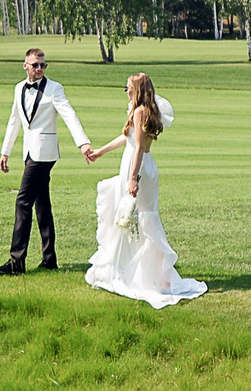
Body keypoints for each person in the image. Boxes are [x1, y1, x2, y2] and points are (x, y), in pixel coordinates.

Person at [82, 73, 207, 308]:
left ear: (138, 89)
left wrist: (132, 178)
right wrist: (100, 152)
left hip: (137, 165)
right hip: (140, 165)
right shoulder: (145, 111)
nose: (126, 91)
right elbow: (127, 138)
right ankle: (142, 271)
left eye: (128, 88)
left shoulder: (140, 111)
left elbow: (138, 147)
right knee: (136, 219)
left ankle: (151, 276)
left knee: (142, 219)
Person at [0, 47, 92, 276]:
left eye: (43, 65)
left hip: (45, 153)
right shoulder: (19, 88)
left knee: (22, 201)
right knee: (42, 205)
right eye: (35, 65)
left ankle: (17, 262)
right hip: (29, 152)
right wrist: (5, 152)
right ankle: (49, 260)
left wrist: (83, 143)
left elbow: (69, 115)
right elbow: (14, 121)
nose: (39, 69)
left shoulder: (55, 88)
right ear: (25, 66)